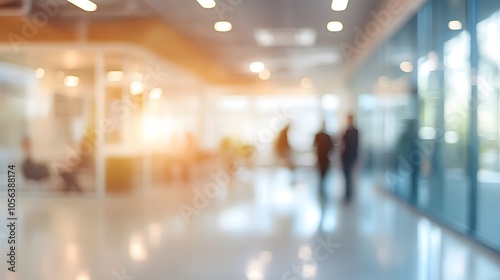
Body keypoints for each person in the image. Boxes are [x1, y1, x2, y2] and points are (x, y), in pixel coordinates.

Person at [314, 122, 334, 200]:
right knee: (320, 172)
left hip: (325, 158)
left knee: (324, 172)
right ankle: (321, 186)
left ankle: (322, 185)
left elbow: (331, 146)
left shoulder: (328, 136)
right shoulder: (318, 135)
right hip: (320, 157)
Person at [341, 114, 359, 201]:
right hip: (345, 157)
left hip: (350, 157)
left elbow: (356, 146)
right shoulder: (346, 131)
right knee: (346, 175)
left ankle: (348, 194)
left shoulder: (355, 132)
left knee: (349, 176)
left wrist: (356, 158)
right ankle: (347, 193)